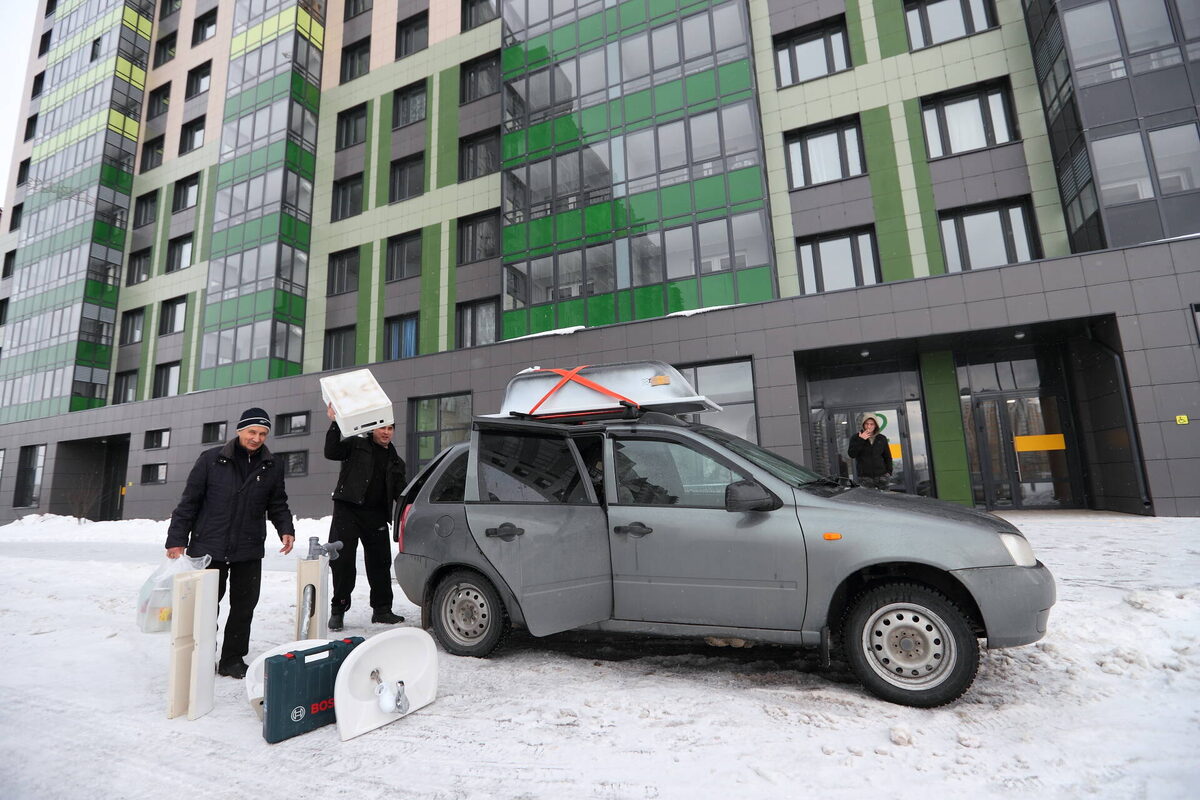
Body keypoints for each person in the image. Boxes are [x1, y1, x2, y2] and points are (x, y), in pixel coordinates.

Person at [165, 407, 295, 679]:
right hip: (209, 547)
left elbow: (277, 503)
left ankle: (232, 659)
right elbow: (189, 502)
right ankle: (201, 656)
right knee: (205, 607)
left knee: (244, 607)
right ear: (239, 430)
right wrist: (177, 539)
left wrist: (285, 529)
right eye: (252, 432)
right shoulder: (211, 459)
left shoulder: (272, 465)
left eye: (263, 434)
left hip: (248, 548)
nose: (256, 438)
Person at [324, 404, 407, 631]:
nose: (386, 432)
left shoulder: (396, 461)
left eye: (390, 428)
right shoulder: (356, 445)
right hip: (347, 512)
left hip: (376, 516)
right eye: (382, 427)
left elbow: (401, 493)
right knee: (343, 563)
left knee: (380, 563)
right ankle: (338, 609)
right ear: (373, 429)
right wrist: (334, 423)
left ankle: (382, 610)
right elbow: (331, 451)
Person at [847, 416, 892, 490]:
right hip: (865, 478)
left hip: (882, 477)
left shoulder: (881, 438)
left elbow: (888, 457)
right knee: (868, 497)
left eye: (872, 424)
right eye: (866, 424)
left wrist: (888, 473)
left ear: (875, 425)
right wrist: (861, 439)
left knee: (885, 497)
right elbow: (852, 454)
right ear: (863, 425)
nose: (869, 426)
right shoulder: (856, 438)